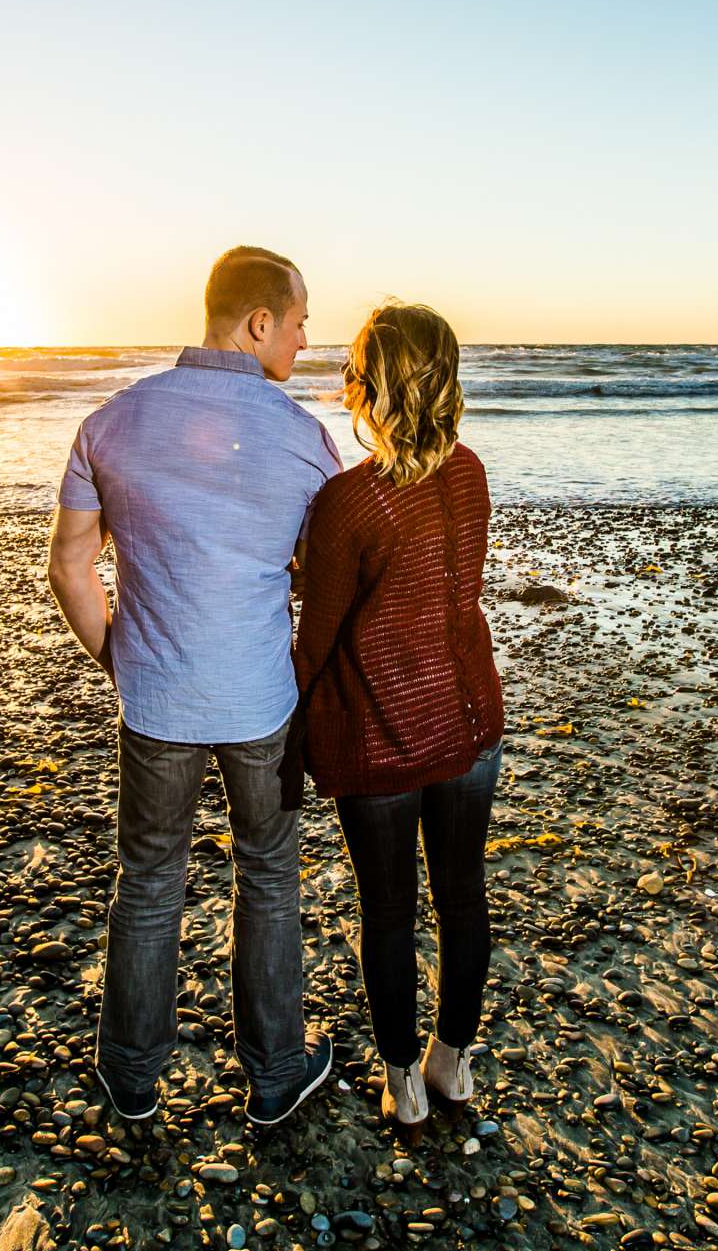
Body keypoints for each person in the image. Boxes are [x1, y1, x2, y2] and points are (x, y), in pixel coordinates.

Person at [46, 245, 342, 1126]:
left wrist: (124, 657)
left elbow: (69, 570)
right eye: (296, 322)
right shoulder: (303, 439)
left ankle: (131, 1082)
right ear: (258, 322)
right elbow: (316, 576)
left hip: (158, 702)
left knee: (148, 881)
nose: (301, 337)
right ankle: (275, 1075)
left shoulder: (111, 421)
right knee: (270, 878)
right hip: (262, 704)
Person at [294, 301, 504, 1126]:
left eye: (353, 368)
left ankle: (403, 1084)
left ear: (370, 386)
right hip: (467, 718)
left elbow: (316, 645)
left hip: (381, 732)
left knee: (387, 909)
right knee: (462, 895)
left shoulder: (348, 502)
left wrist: (280, 736)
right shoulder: (471, 472)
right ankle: (450, 1065)